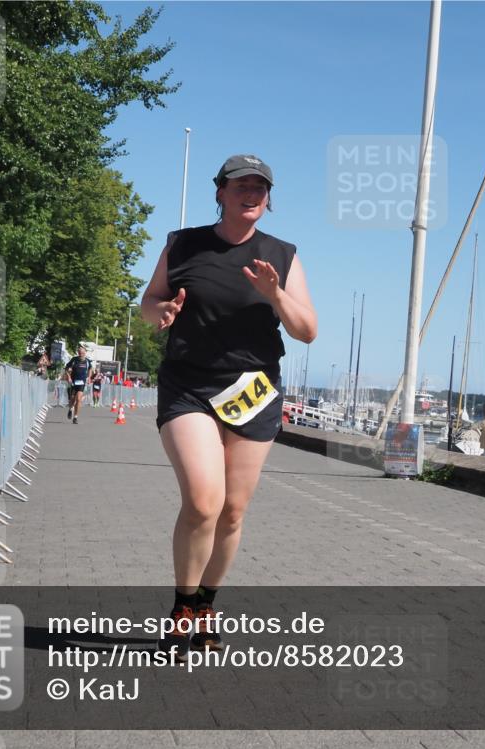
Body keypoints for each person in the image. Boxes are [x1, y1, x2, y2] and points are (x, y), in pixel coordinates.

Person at [141, 155, 316, 658]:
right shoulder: (184, 244)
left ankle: (207, 604)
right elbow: (149, 301)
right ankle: (182, 605)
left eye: (260, 186)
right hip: (190, 386)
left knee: (233, 512)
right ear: (219, 191)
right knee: (203, 501)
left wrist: (276, 294)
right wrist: (163, 312)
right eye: (241, 184)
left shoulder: (281, 255)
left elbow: (307, 330)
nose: (251, 192)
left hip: (253, 393)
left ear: (269, 198)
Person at [64, 345, 94, 425]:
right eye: (80, 353)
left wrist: (89, 377)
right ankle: (70, 409)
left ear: (85, 353)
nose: (81, 354)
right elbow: (66, 368)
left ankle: (75, 417)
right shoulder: (74, 360)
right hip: (73, 382)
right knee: (72, 399)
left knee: (78, 399)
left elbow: (90, 369)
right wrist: (69, 377)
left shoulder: (87, 361)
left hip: (82, 382)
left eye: (83, 353)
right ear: (78, 353)